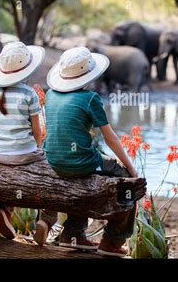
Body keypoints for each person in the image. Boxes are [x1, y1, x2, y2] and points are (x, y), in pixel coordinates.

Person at [44, 46, 138, 257]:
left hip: (53, 160)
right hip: (82, 162)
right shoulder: (90, 98)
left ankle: (73, 233)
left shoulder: (50, 94)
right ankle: (112, 241)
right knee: (128, 183)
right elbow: (110, 138)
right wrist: (131, 168)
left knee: (82, 176)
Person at [0, 41, 55, 245]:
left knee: (13, 178)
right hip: (24, 154)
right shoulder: (28, 94)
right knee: (53, 178)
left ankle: (5, 210)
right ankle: (46, 221)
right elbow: (37, 131)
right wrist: (37, 149)